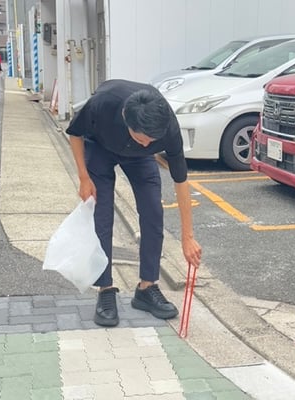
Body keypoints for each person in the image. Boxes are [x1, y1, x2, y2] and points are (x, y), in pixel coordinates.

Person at [66, 79, 202, 327]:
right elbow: (75, 133)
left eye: (153, 140)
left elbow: (181, 181)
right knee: (102, 217)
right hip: (101, 148)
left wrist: (188, 238)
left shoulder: (167, 128)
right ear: (126, 120)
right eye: (143, 138)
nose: (149, 143)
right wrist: (84, 178)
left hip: (140, 159)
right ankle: (105, 289)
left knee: (153, 212)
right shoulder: (103, 103)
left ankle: (146, 288)